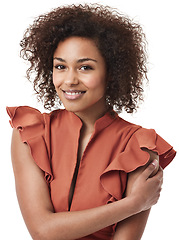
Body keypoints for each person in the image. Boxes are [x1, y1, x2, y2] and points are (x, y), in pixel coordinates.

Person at [7, 4, 176, 240]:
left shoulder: (140, 147)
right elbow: (42, 231)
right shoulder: (31, 133)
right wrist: (133, 203)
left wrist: (137, 204)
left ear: (112, 72)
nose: (69, 80)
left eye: (85, 67)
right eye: (60, 66)